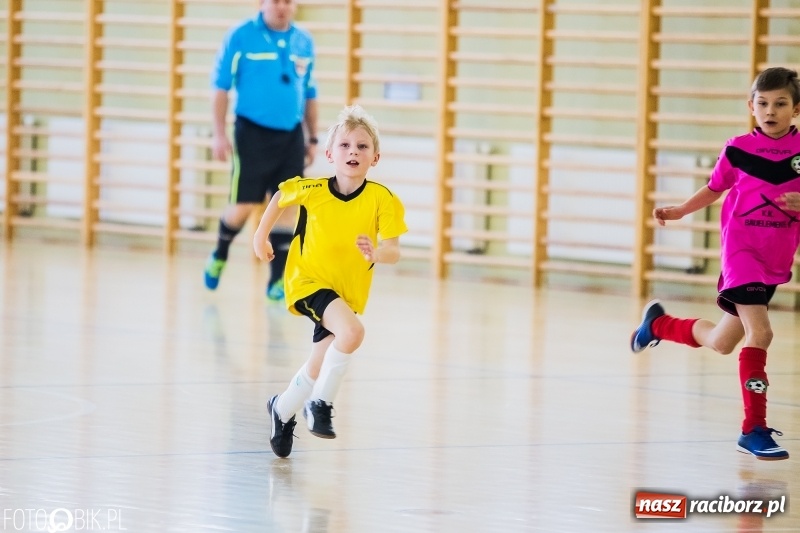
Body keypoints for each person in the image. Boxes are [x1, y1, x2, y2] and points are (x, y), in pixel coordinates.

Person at [630, 66, 800, 461]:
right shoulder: (738, 147)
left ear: (795, 110)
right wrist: (681, 210)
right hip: (741, 252)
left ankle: (658, 324)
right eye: (762, 103)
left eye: (780, 104)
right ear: (750, 106)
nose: (770, 111)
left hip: (774, 257)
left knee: (724, 342)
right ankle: (753, 429)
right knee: (761, 333)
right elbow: (714, 188)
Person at [253, 105, 407, 458]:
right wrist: (260, 237)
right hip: (308, 281)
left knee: (320, 361)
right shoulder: (313, 189)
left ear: (376, 157)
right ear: (329, 154)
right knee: (352, 334)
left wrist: (375, 253)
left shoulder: (383, 199)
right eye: (345, 145)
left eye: (362, 146)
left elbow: (393, 250)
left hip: (346, 291)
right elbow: (280, 196)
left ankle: (282, 408)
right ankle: (319, 403)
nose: (353, 151)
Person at [203, 0, 318, 301]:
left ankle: (277, 280)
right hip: (251, 132)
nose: (281, 6)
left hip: (291, 134)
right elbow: (220, 86)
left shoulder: (303, 41)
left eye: (287, 1)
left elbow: (309, 92)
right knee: (244, 204)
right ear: (262, 3)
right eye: (275, 1)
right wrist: (218, 133)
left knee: (286, 203)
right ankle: (220, 252)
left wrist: (313, 137)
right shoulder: (241, 36)